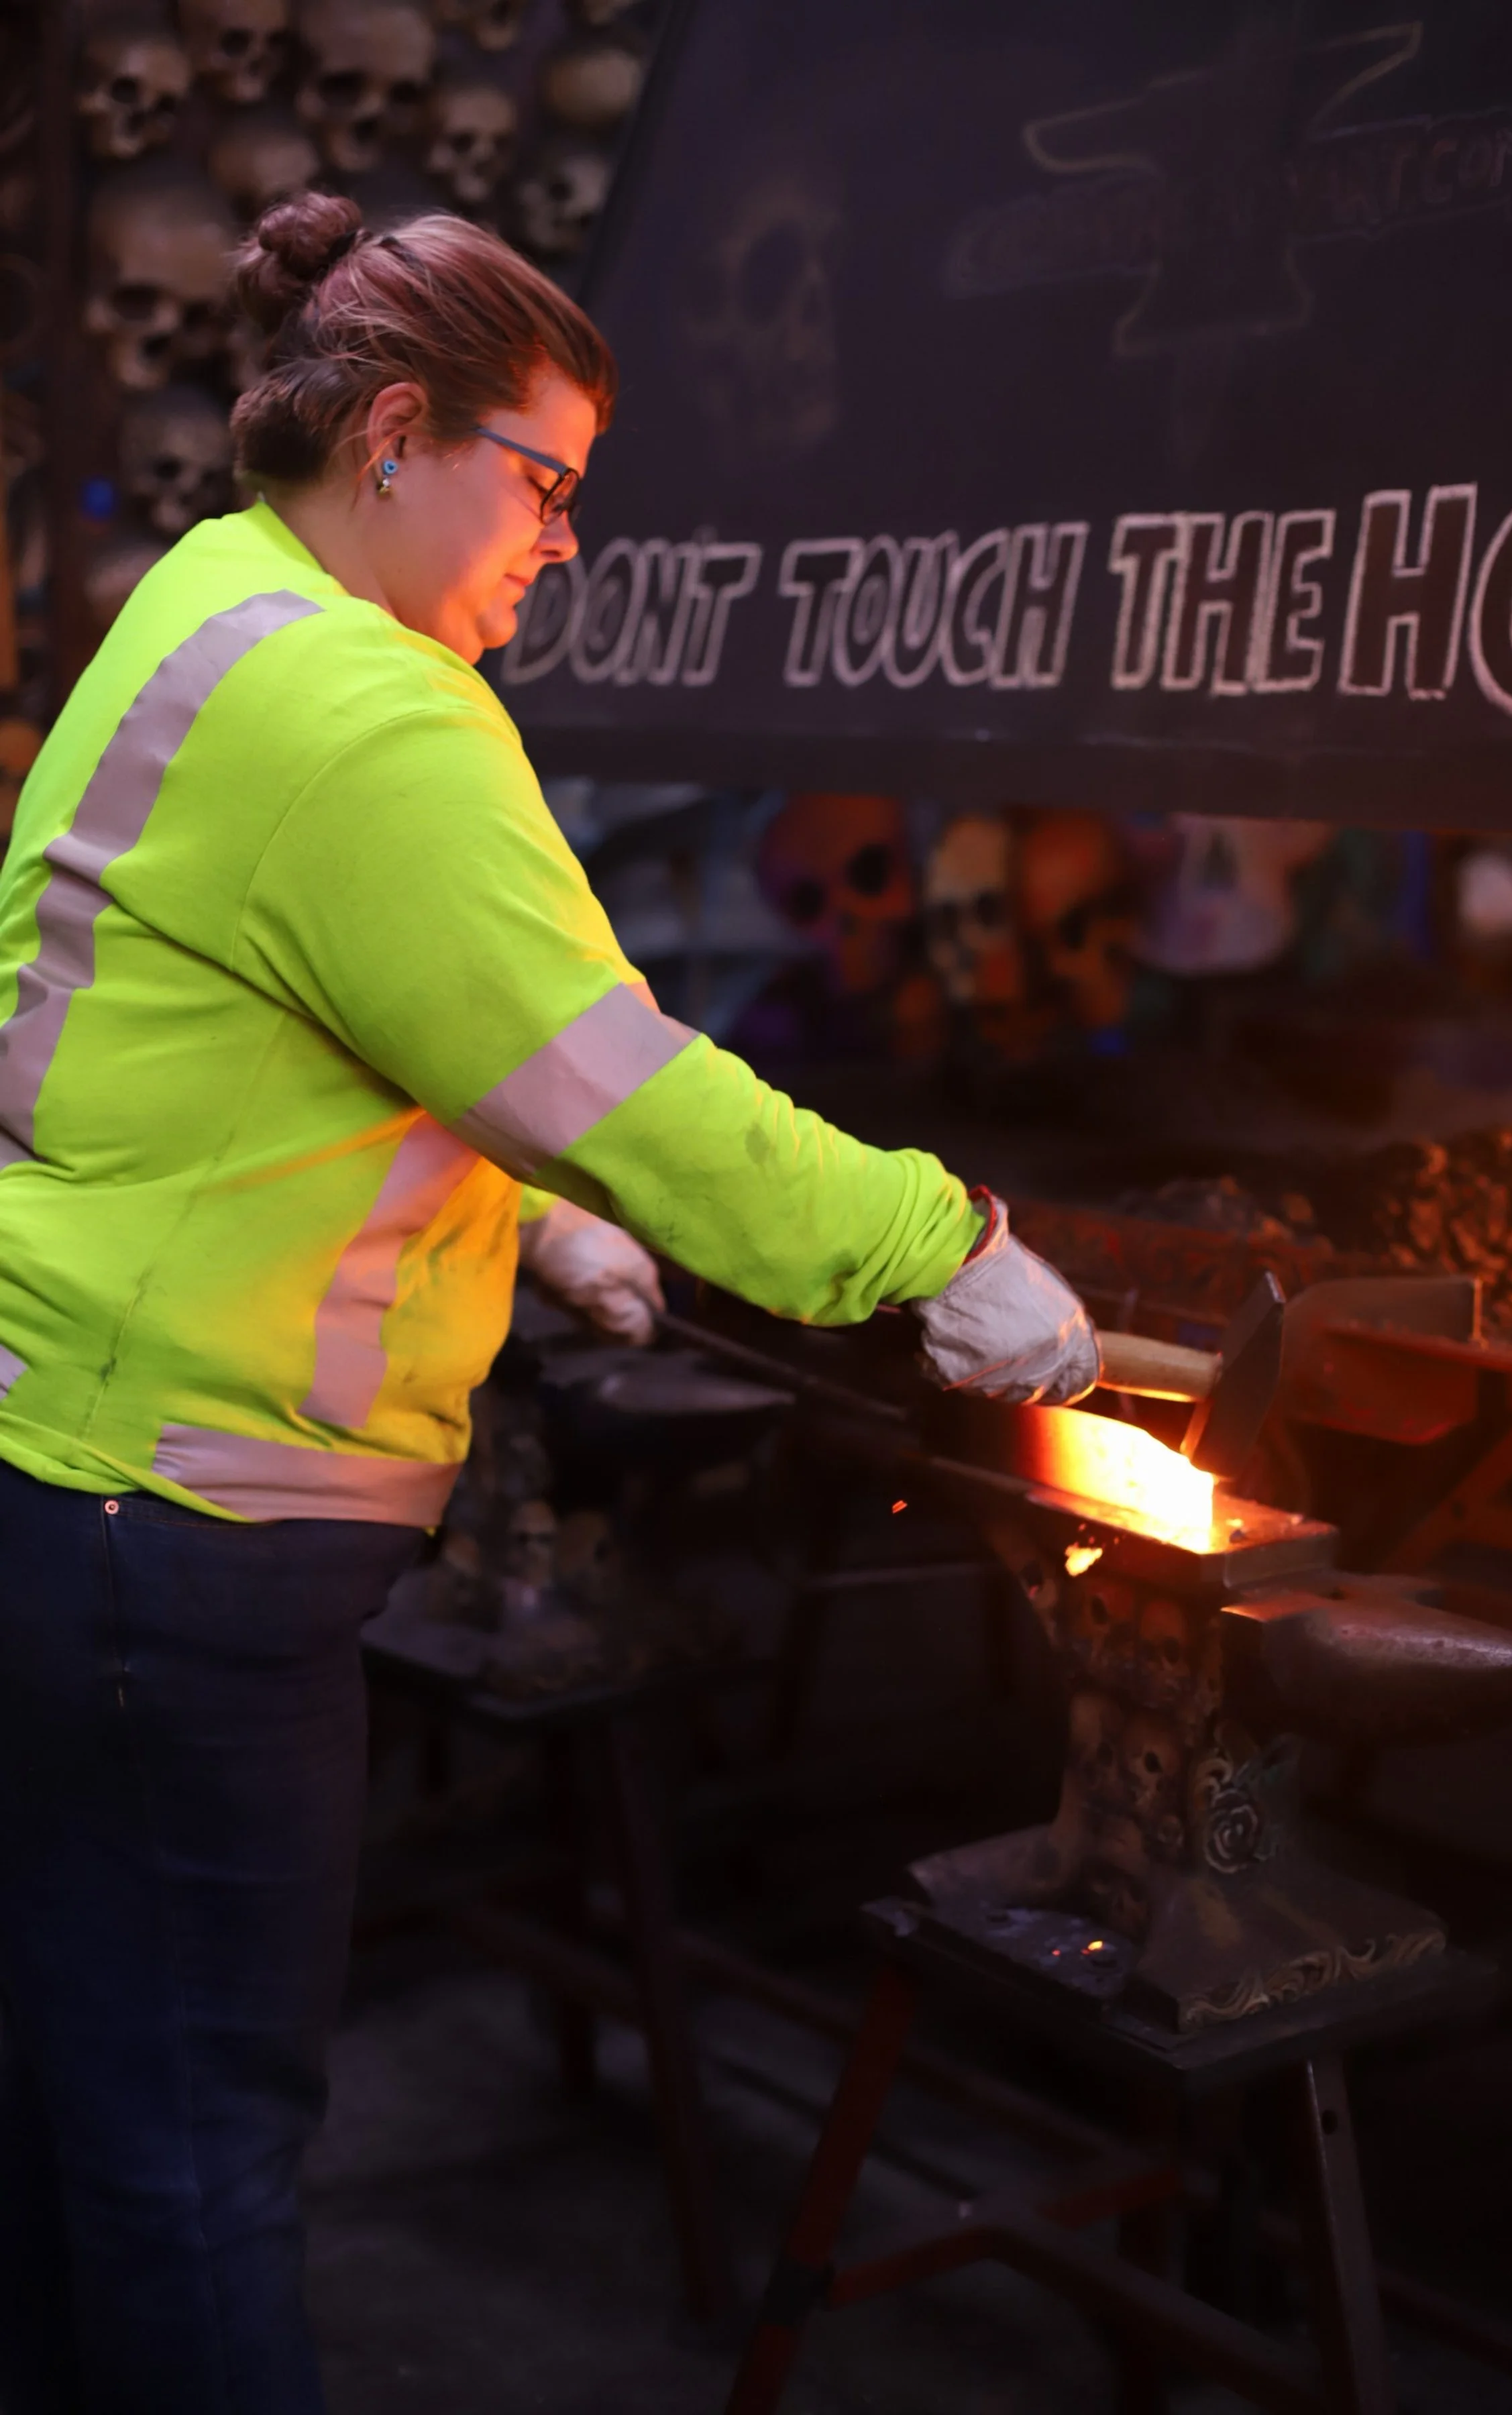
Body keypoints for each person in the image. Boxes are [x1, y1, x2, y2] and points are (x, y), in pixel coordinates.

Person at [0, 194, 1099, 2414]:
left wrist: (524, 1217)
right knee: (201, 2162)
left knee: (83, 2111)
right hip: (181, 1528)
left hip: (65, 1460)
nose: (567, 539)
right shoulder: (365, 716)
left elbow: (302, 1023)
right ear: (397, 432)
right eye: (548, 480)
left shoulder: (213, 594)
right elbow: (632, 1085)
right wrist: (948, 1256)